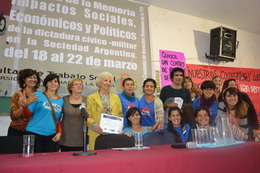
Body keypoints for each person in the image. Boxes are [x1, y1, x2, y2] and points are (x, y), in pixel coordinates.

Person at [21, 74, 64, 153]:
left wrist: (59, 133)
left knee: (49, 162)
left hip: (51, 135)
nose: (53, 83)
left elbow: (58, 119)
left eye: (55, 81)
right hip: (34, 133)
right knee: (32, 161)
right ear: (46, 84)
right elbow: (27, 115)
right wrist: (24, 106)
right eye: (50, 81)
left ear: (58, 84)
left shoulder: (61, 101)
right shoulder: (38, 95)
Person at [86, 72, 123, 150]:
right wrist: (94, 126)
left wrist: (119, 128)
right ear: (99, 83)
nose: (108, 83)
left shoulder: (116, 98)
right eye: (105, 80)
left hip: (113, 134)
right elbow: (87, 117)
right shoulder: (91, 98)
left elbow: (120, 115)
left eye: (110, 81)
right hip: (96, 133)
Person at [8, 69, 40, 136]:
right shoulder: (18, 95)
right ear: (24, 79)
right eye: (30, 77)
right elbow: (14, 116)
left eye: (35, 78)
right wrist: (26, 103)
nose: (33, 80)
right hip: (17, 131)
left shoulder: (40, 95)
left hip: (34, 131)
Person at [59, 78, 86, 152]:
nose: (79, 86)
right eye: (76, 84)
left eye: (80, 84)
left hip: (81, 137)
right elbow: (57, 116)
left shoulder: (86, 100)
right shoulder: (64, 99)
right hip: (66, 137)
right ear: (70, 87)